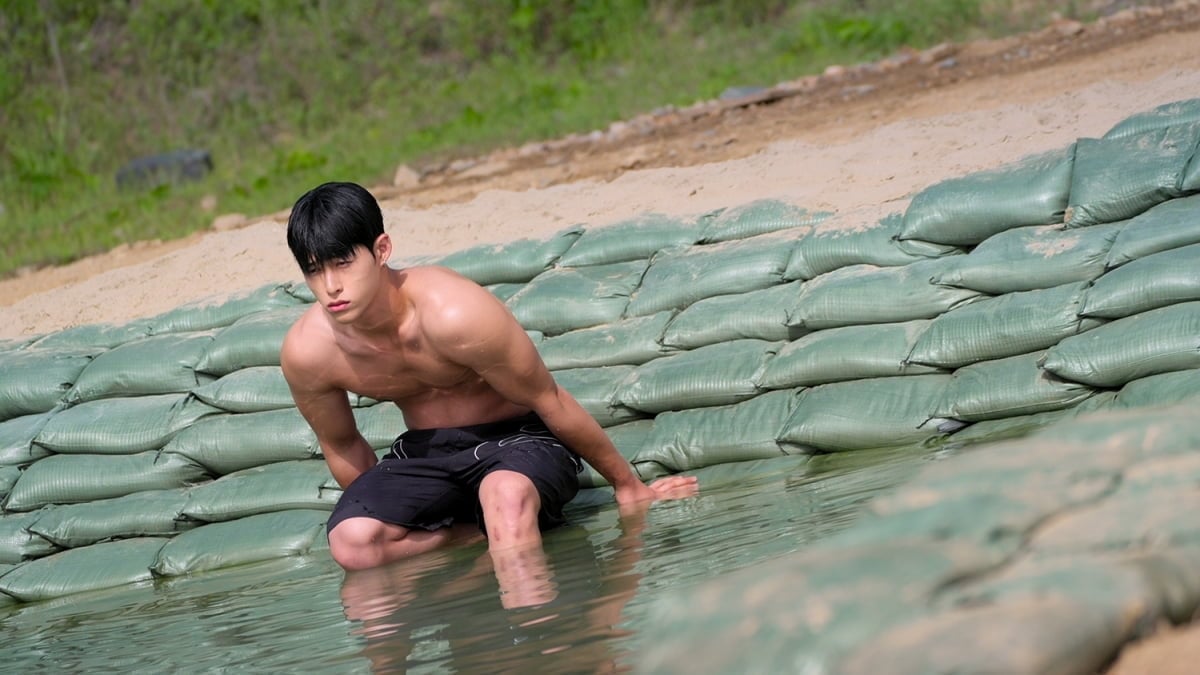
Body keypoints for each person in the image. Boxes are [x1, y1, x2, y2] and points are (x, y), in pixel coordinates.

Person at [281, 181, 698, 572]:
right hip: (426, 453)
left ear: (382, 249)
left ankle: (529, 633)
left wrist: (627, 486)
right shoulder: (309, 351)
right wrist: (393, 513)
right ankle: (469, 537)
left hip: (515, 440)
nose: (331, 285)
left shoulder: (454, 312)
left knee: (506, 497)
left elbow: (547, 397)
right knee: (352, 543)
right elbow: (343, 444)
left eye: (343, 263)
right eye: (314, 271)